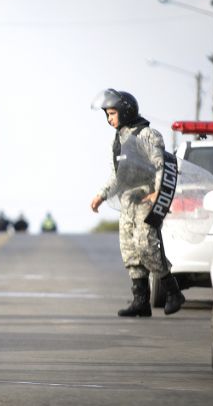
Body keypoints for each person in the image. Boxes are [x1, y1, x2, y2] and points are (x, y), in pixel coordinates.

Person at [90, 88, 185, 317]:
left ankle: (173, 292)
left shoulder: (147, 134)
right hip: (127, 202)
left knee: (146, 246)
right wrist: (101, 195)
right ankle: (140, 301)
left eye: (112, 113)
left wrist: (157, 193)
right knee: (130, 250)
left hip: (146, 199)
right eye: (107, 114)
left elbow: (161, 164)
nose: (109, 118)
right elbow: (118, 175)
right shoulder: (118, 139)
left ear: (125, 111)